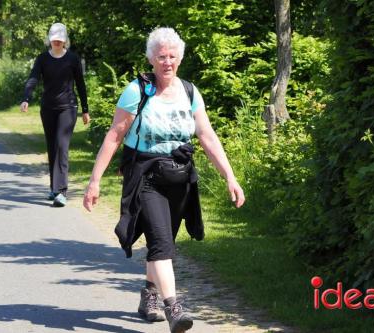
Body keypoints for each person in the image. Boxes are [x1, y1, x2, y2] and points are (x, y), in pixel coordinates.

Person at [83, 27, 245, 333]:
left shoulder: (189, 91)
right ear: (151, 59)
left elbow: (207, 136)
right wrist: (94, 181)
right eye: (161, 57)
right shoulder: (137, 91)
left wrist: (230, 176)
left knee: (164, 242)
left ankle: (149, 298)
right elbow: (115, 135)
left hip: (179, 177)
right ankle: (174, 309)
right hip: (145, 175)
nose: (167, 62)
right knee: (160, 243)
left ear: (180, 58)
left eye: (172, 56)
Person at [21, 23, 90, 207]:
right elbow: (33, 78)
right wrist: (26, 98)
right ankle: (54, 188)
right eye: (54, 39)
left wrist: (85, 109)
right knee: (52, 147)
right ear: (50, 40)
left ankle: (61, 191)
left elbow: (81, 84)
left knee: (61, 145)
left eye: (60, 39)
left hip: (68, 107)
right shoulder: (43, 59)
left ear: (65, 39)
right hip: (48, 108)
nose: (57, 42)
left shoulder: (72, 59)